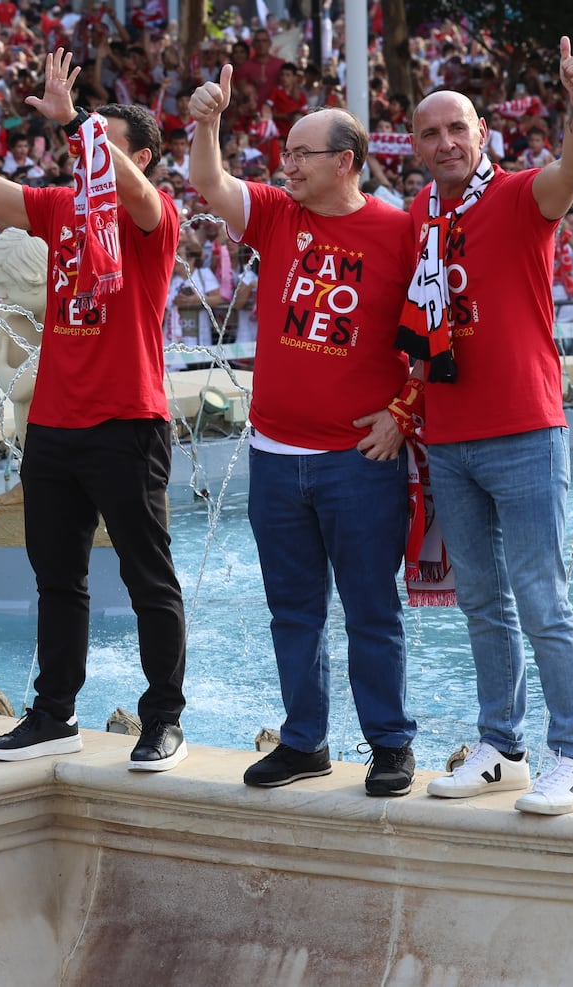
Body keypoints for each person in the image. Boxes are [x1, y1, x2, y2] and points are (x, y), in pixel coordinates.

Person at [0, 53, 190, 772]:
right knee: (56, 578)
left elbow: (132, 191)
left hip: (126, 423)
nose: (84, 149)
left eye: (101, 141)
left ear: (137, 156)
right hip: (53, 424)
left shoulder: (152, 217)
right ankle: (54, 714)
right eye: (83, 140)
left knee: (148, 576)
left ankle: (163, 716)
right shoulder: (60, 209)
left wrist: (78, 120)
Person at [184, 65, 421, 796]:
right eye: (285, 152)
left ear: (344, 161)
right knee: (294, 611)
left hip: (357, 459)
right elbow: (210, 185)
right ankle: (304, 739)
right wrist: (206, 124)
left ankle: (390, 743)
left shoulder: (399, 230)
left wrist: (403, 412)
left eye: (299, 153)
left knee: (373, 610)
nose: (284, 163)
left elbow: (434, 333)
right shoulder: (278, 213)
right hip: (275, 454)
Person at [403, 37, 573, 815]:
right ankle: (503, 746)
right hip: (449, 436)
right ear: (415, 146)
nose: (447, 142)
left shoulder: (521, 196)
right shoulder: (419, 212)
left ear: (482, 134)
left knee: (542, 597)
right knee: (481, 601)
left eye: (459, 128)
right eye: (431, 132)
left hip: (523, 426)